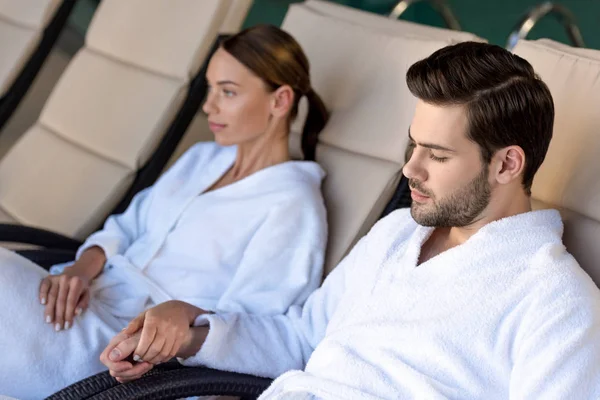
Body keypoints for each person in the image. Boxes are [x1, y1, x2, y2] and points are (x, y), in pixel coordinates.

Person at [103, 42, 600, 398]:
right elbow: (302, 337)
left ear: (507, 164)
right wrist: (189, 331)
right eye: (412, 145)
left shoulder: (556, 300)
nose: (410, 169)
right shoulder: (398, 234)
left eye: (438, 155)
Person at [0, 25, 329, 399]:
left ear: (280, 101)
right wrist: (81, 269)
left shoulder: (293, 204)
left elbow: (262, 323)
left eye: (228, 92)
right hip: (84, 298)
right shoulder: (201, 158)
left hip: (127, 353)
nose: (209, 106)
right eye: (210, 88)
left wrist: (184, 318)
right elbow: (128, 225)